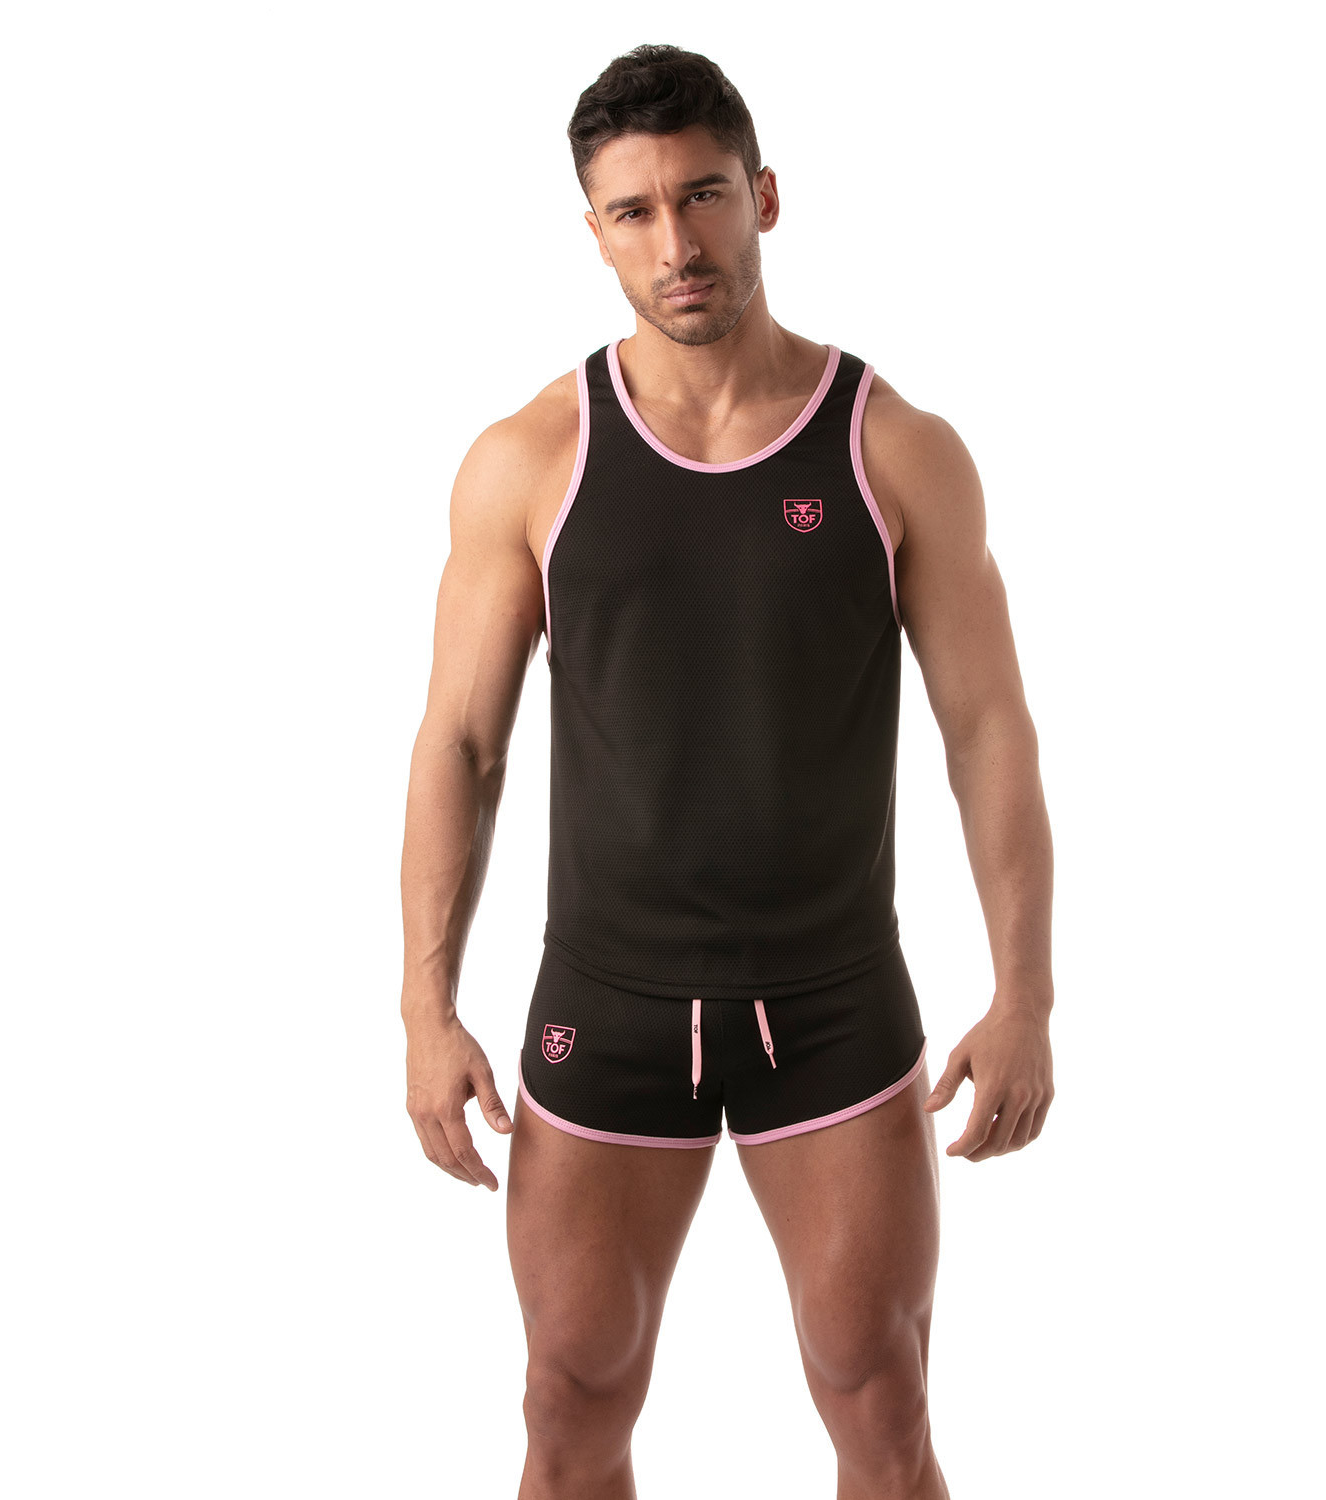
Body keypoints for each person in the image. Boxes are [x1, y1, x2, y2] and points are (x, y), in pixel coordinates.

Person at [399, 43, 1055, 1500]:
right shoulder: (531, 458)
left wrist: (1026, 995)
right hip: (609, 1005)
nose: (676, 243)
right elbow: (460, 742)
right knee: (570, 1400)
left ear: (763, 196)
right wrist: (423, 1005)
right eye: (633, 212)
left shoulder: (893, 449)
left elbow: (989, 731)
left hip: (832, 1004)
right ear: (594, 231)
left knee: (880, 1398)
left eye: (702, 196)